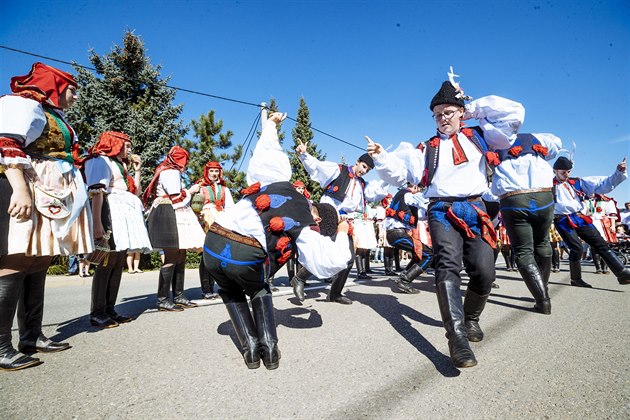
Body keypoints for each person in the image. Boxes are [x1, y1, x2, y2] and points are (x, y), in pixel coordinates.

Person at [367, 74, 524, 368]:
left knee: (484, 272)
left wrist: (472, 107)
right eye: (437, 115)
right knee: (447, 267)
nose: (442, 119)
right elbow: (401, 176)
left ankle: (471, 318)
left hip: (477, 209)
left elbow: (515, 113)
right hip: (442, 211)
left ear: (460, 113)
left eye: (447, 112)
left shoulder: (481, 135)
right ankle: (456, 338)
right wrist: (381, 157)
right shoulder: (427, 148)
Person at [203, 108, 351, 369]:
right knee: (259, 287)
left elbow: (267, 154)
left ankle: (250, 349)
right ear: (318, 219)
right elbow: (330, 262)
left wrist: (271, 125)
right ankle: (269, 351)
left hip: (212, 243)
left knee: (228, 288)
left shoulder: (279, 181)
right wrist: (340, 234)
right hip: (242, 251)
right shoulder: (305, 222)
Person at [0, 62, 93, 370]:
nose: (76, 97)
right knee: (16, 259)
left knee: (39, 259)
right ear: (53, 87)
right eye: (72, 90)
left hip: (49, 193)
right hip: (26, 187)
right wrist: (20, 191)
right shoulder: (23, 104)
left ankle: (31, 335)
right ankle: (1, 346)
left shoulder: (53, 114)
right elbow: (7, 144)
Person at [296, 139, 387, 304]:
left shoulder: (362, 185)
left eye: (368, 170)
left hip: (345, 222)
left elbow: (374, 194)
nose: (365, 171)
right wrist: (304, 155)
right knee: (324, 251)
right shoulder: (338, 170)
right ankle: (299, 278)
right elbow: (317, 167)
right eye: (364, 167)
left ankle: (335, 293)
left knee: (348, 258)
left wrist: (388, 175)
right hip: (329, 215)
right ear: (358, 162)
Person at [485, 132, 562, 314]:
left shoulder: (493, 141)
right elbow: (556, 146)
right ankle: (543, 289)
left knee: (523, 251)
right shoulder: (539, 137)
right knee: (543, 243)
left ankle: (543, 300)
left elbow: (486, 169)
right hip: (543, 195)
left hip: (514, 198)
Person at [83, 131, 152, 328]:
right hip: (109, 212)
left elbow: (135, 192)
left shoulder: (122, 166)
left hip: (124, 215)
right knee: (106, 262)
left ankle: (110, 309)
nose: (130, 150)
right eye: (127, 146)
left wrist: (137, 170)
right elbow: (97, 193)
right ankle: (98, 312)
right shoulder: (101, 160)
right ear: (115, 144)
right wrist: (97, 223)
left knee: (118, 261)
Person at [143, 146, 206, 311]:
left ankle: (178, 296)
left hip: (173, 211)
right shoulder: (171, 172)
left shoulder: (169, 170)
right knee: (172, 256)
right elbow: (176, 197)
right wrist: (191, 190)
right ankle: (163, 299)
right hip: (169, 211)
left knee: (180, 255)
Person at [552, 156, 630, 287]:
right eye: (563, 172)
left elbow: (602, 185)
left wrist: (618, 173)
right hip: (562, 219)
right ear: (555, 170)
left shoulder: (577, 182)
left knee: (601, 243)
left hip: (580, 217)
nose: (566, 175)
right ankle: (576, 279)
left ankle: (622, 274)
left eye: (568, 172)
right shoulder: (548, 185)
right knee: (576, 248)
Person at [194, 160, 234, 299]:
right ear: (207, 172)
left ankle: (223, 286)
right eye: (211, 171)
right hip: (205, 220)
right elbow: (195, 205)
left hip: (221, 220)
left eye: (216, 171)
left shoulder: (225, 189)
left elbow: (230, 207)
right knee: (206, 255)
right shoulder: (200, 187)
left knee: (221, 255)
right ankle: (206, 289)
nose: (214, 173)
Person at [384, 183, 433, 294]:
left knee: (418, 254)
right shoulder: (408, 195)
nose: (419, 191)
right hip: (398, 234)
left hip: (394, 234)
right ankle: (405, 281)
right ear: (415, 187)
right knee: (429, 255)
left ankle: (404, 276)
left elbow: (420, 215)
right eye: (419, 188)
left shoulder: (401, 196)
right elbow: (424, 204)